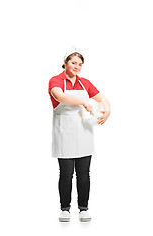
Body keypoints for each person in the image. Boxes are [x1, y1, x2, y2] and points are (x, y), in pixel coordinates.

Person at [48, 47, 111, 222]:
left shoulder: (85, 83)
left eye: (80, 64)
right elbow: (60, 97)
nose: (77, 66)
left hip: (84, 133)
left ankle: (83, 208)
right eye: (73, 62)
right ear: (65, 62)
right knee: (66, 174)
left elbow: (101, 98)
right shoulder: (56, 80)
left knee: (84, 173)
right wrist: (84, 102)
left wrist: (108, 109)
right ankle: (65, 209)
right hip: (64, 133)